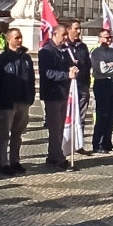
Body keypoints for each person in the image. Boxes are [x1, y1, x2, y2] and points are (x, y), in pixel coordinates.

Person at [0, 28, 35, 174]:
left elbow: (31, 79)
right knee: (4, 134)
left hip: (23, 101)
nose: (19, 40)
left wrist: (30, 97)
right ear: (9, 39)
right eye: (16, 38)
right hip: (7, 102)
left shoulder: (26, 58)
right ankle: (2, 163)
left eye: (21, 37)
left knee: (18, 133)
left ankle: (15, 161)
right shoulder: (1, 59)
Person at [40, 24, 79, 169]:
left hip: (63, 93)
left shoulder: (64, 51)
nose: (65, 38)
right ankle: (58, 157)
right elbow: (48, 73)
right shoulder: (46, 51)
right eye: (63, 35)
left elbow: (67, 67)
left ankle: (52, 155)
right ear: (54, 34)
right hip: (52, 94)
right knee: (55, 128)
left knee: (61, 128)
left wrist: (72, 68)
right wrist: (66, 75)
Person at [90, 28, 113, 153]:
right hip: (101, 83)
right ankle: (98, 144)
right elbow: (103, 69)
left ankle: (107, 142)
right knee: (102, 114)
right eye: (106, 37)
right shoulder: (96, 53)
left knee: (111, 115)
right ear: (100, 38)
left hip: (112, 83)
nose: (109, 39)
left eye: (110, 37)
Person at [64, 19, 93, 151]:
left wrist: (87, 84)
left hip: (82, 85)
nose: (78, 31)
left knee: (81, 116)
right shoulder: (64, 46)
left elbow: (87, 65)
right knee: (68, 116)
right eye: (76, 28)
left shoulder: (82, 46)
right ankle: (65, 144)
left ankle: (78, 143)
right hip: (69, 86)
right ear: (69, 29)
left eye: (79, 28)